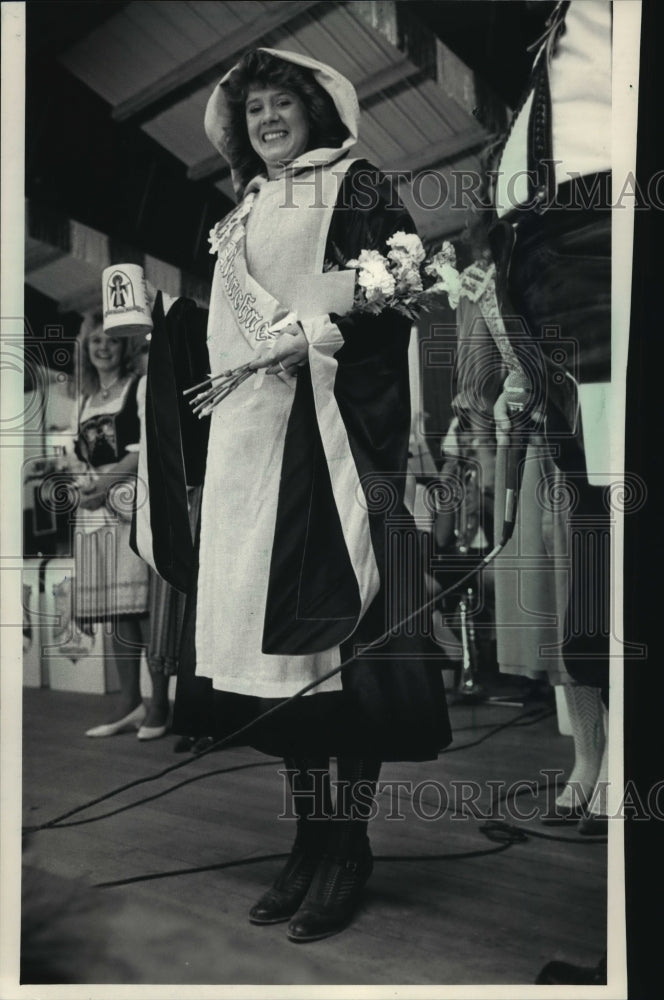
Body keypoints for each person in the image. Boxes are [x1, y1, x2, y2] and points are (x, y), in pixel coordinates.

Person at [135, 48, 451, 942]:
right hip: (249, 464)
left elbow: (397, 288)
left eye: (284, 103)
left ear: (317, 109)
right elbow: (221, 337)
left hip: (326, 453)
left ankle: (347, 846)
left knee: (332, 663)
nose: (269, 119)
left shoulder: (355, 187)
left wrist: (309, 333)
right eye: (256, 110)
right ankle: (308, 840)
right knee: (278, 674)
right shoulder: (239, 213)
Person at [488, 0, 611, 835]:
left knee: (616, 539)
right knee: (590, 558)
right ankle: (594, 752)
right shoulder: (547, 48)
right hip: (544, 287)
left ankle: (616, 760)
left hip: (604, 251)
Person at [72, 321, 169, 739]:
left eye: (111, 340)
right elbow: (80, 460)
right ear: (86, 347)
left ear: (124, 346)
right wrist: (83, 487)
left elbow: (148, 447)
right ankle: (129, 702)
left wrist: (105, 484)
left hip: (133, 504)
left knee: (143, 608)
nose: (103, 347)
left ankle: (159, 704)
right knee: (115, 611)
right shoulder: (85, 400)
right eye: (95, 340)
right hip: (96, 513)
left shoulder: (140, 386)